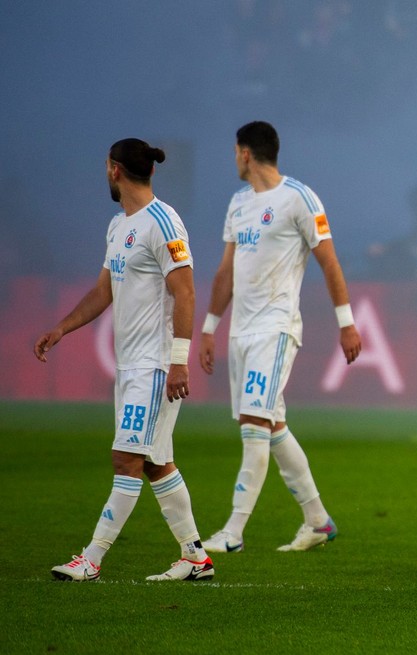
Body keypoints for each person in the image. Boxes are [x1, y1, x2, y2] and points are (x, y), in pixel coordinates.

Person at [36, 139, 213, 582]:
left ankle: (91, 559)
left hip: (155, 364)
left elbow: (186, 291)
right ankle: (195, 557)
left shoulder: (163, 222)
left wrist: (178, 361)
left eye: (105, 168)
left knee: (125, 459)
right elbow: (104, 290)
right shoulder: (118, 226)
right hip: (131, 364)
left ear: (115, 170)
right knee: (155, 462)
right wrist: (62, 327)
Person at [199, 121, 362, 554]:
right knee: (272, 426)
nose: (234, 158)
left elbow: (329, 262)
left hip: (276, 329)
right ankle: (318, 521)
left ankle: (233, 531)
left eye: (235, 151)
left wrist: (346, 322)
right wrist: (210, 326)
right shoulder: (238, 204)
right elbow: (225, 270)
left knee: (254, 425)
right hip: (242, 331)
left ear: (245, 153)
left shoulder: (299, 198)